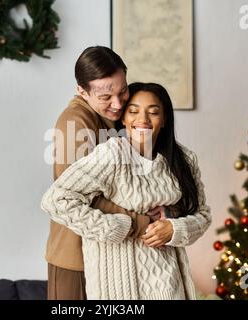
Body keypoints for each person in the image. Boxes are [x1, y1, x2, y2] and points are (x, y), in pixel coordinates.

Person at [41, 83, 212, 299]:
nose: (143, 119)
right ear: (123, 118)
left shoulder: (184, 159)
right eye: (133, 111)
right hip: (118, 288)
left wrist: (174, 228)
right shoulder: (111, 155)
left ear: (165, 119)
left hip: (169, 286)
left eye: (154, 112)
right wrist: (118, 227)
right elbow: (55, 200)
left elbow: (203, 215)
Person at [45, 47, 157, 300]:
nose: (117, 103)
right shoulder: (75, 123)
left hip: (111, 254)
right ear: (82, 92)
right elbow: (77, 198)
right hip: (75, 259)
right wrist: (144, 222)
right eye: (106, 96)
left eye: (122, 91)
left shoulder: (119, 119)